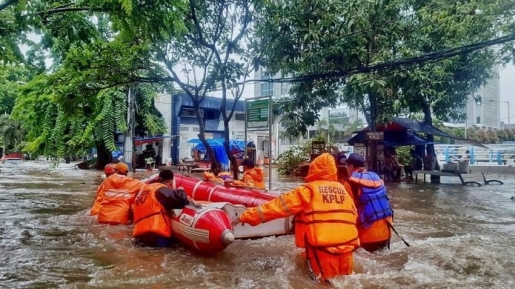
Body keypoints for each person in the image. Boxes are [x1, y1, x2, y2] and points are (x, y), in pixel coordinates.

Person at [231, 153, 359, 282]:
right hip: (347, 250)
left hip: (322, 251)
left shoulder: (308, 191)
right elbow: (354, 215)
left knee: (323, 284)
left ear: (314, 169)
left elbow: (277, 207)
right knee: (345, 282)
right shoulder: (343, 190)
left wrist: (247, 215)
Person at [343, 153, 395, 252]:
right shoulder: (378, 179)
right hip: (387, 234)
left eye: (346, 166)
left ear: (351, 166)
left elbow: (346, 211)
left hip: (367, 239)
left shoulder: (350, 183)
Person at [132, 169, 191, 247]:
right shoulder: (160, 189)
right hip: (156, 234)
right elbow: (180, 199)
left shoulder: (143, 190)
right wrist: (181, 191)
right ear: (170, 182)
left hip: (139, 236)